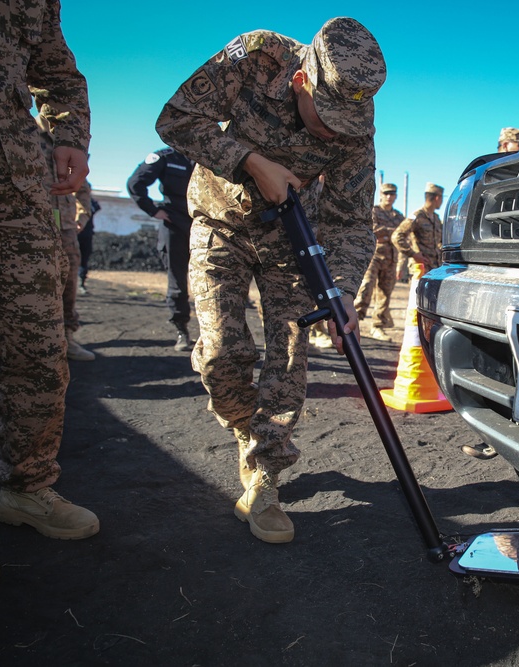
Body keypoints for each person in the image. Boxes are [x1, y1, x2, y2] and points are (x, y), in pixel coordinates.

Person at [156, 17, 387, 544]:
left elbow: (351, 221)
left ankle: (266, 476)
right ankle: (245, 430)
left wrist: (343, 291)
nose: (334, 132)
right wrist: (249, 161)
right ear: (303, 79)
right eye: (325, 117)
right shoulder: (256, 57)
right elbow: (177, 120)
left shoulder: (355, 123)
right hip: (221, 224)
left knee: (287, 360)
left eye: (346, 121)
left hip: (292, 244)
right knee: (221, 354)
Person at [0, 0, 100, 592]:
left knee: (39, 349)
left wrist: (68, 133)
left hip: (13, 186)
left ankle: (27, 487)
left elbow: (57, 72)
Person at [36, 114, 94, 362]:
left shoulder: (68, 139)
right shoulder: (21, 132)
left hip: (66, 226)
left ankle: (67, 338)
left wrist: (84, 211)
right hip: (29, 221)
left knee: (69, 279)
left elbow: (82, 184)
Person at [127, 148, 196, 352]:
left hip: (203, 225)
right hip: (174, 225)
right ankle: (182, 330)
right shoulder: (166, 157)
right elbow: (135, 183)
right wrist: (153, 210)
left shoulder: (207, 155)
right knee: (178, 282)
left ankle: (214, 335)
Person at [354, 182, 404, 341]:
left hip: (391, 258)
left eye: (392, 194)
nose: (389, 196)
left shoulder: (398, 216)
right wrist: (391, 233)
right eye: (386, 193)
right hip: (373, 256)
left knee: (385, 294)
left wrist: (386, 234)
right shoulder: (373, 211)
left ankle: (377, 327)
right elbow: (372, 231)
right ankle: (352, 323)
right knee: (365, 288)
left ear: (395, 196)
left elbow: (403, 237)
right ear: (381, 195)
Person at [392, 182, 444, 278]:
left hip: (435, 268)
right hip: (421, 268)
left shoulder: (436, 218)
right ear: (437, 198)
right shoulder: (417, 216)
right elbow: (397, 236)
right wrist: (413, 254)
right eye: (442, 198)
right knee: (417, 293)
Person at [77, 192, 99, 294]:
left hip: (86, 234)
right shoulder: (70, 201)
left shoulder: (91, 203)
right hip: (73, 233)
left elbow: (96, 208)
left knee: (83, 261)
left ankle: (81, 283)